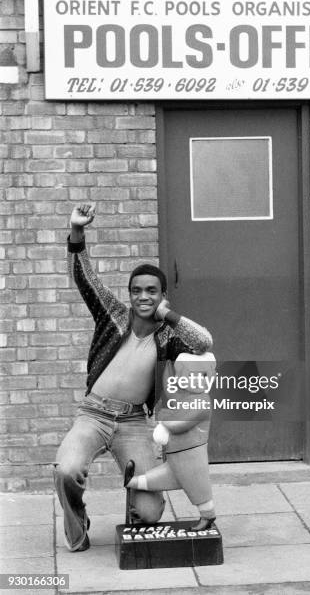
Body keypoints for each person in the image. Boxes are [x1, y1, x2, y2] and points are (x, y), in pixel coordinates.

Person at [54, 203, 213, 552]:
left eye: (151, 291)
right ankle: (77, 525)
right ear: (129, 294)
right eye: (137, 290)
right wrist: (77, 231)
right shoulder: (112, 315)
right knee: (66, 469)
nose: (143, 296)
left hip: (133, 422)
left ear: (162, 295)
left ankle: (133, 525)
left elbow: (203, 341)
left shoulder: (166, 337)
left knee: (150, 510)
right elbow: (85, 278)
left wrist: (166, 315)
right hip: (93, 415)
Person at [124, 352, 217, 531]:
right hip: (176, 457)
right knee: (165, 477)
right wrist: (167, 365)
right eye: (193, 376)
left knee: (197, 487)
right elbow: (170, 391)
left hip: (191, 455)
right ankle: (131, 482)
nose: (198, 380)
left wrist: (164, 419)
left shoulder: (202, 402)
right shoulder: (186, 397)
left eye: (203, 376)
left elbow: (179, 425)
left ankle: (208, 516)